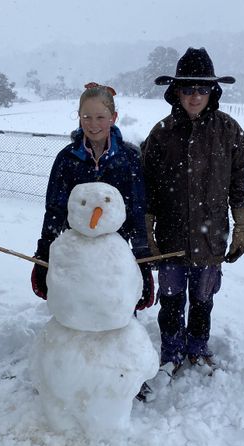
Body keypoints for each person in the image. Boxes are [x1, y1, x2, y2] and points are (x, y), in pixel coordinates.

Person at [141, 47, 244, 381]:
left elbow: (242, 177)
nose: (195, 96)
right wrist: (147, 229)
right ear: (176, 91)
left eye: (202, 89)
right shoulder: (162, 133)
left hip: (211, 237)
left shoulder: (228, 131)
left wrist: (243, 222)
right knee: (172, 299)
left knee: (204, 298)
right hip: (171, 238)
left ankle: (197, 347)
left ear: (213, 91)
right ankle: (172, 352)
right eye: (188, 88)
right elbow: (147, 184)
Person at [31, 82, 154, 310]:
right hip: (74, 253)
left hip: (114, 252)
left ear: (113, 117)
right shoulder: (67, 159)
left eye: (100, 117)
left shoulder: (128, 159)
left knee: (116, 310)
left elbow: (136, 211)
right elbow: (55, 209)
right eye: (87, 116)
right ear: (78, 117)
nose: (93, 124)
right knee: (76, 310)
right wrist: (44, 254)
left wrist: (141, 262)